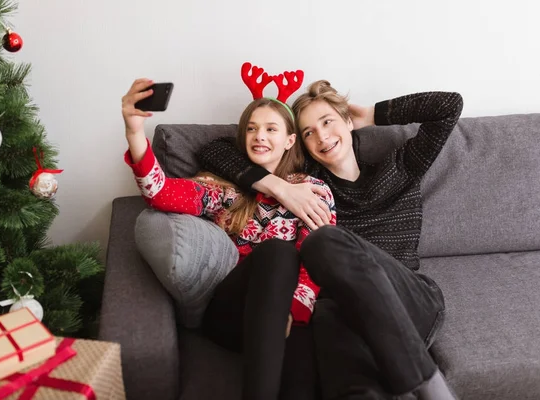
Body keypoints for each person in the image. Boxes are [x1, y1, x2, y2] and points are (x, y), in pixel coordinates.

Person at [197, 80, 464, 399]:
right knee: (339, 349)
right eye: (309, 132)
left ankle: (430, 388)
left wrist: (371, 115)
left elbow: (448, 106)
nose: (322, 136)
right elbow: (212, 150)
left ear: (348, 122)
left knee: (323, 241)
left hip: (409, 300)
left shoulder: (402, 166)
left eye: (328, 122)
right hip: (345, 314)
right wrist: (280, 188)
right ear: (301, 144)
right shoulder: (309, 184)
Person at [121, 72, 336, 400]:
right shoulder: (225, 191)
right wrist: (134, 131)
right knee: (278, 252)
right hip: (230, 313)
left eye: (270, 129)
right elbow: (159, 192)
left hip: (287, 314)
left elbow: (319, 260)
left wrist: (293, 312)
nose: (258, 136)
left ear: (291, 140)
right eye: (251, 128)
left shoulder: (313, 192)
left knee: (302, 357)